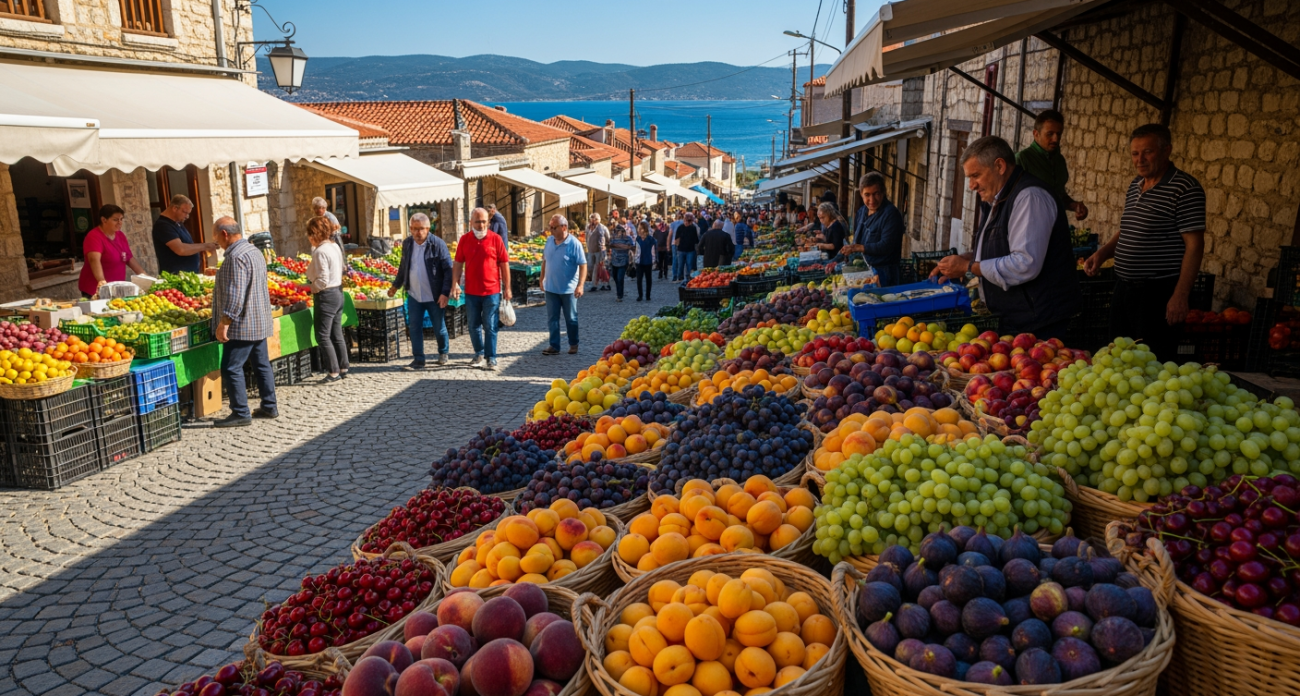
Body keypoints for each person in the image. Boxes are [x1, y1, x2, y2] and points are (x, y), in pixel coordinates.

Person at [931, 136, 1080, 338]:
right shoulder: (996, 197)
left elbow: (1025, 263)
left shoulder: (1029, 198)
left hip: (1039, 323)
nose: (971, 185)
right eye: (969, 178)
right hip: (1016, 319)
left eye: (976, 175)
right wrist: (969, 258)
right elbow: (1002, 245)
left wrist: (968, 267)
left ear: (999, 166)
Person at [1085, 123, 1206, 361]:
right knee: (1119, 358)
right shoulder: (1135, 185)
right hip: (1125, 288)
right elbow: (1127, 229)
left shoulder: (1185, 188)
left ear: (1166, 150)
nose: (1140, 159)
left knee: (1152, 361)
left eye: (1147, 152)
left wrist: (1180, 295)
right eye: (1134, 153)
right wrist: (1103, 254)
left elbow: (1195, 245)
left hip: (1158, 293)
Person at [210, 216, 276, 428]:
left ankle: (240, 412)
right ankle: (269, 405)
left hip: (243, 324)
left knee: (230, 367)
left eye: (217, 238)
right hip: (258, 320)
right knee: (261, 364)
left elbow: (235, 294)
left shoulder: (235, 257)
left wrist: (224, 321)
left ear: (225, 234)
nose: (218, 244)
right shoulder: (253, 251)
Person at [389, 213, 453, 369]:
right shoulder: (407, 244)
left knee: (438, 326)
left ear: (428, 228)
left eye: (421, 229)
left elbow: (448, 270)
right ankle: (419, 359)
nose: (418, 233)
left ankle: (443, 352)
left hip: (435, 294)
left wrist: (445, 293)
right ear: (410, 229)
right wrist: (395, 286)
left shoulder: (437, 244)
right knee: (414, 326)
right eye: (414, 229)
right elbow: (404, 267)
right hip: (414, 294)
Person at [452, 208, 511, 370]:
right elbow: (458, 264)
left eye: (484, 221)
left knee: (490, 325)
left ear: (489, 222)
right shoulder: (464, 240)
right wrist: (454, 284)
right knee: (473, 325)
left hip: (492, 291)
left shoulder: (496, 239)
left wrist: (508, 288)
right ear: (470, 222)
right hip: (471, 291)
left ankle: (491, 357)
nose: (481, 225)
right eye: (477, 221)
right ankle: (479, 353)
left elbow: (504, 264)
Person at [1015, 110, 1089, 221]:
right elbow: (1012, 201)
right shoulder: (1022, 159)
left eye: (1058, 134)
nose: (1055, 139)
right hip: (1030, 226)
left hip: (1055, 226)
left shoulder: (1059, 160)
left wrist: (1074, 206)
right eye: (1050, 134)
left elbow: (1059, 195)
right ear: (1036, 134)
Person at [305, 216, 350, 382]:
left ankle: (333, 371)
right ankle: (344, 366)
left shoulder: (320, 251)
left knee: (322, 335)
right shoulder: (334, 246)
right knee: (336, 332)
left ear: (314, 234)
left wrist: (311, 288)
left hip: (326, 295)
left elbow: (323, 280)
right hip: (338, 292)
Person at [539, 214, 587, 356]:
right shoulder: (549, 241)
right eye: (550, 228)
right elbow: (545, 261)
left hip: (568, 290)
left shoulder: (574, 244)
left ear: (564, 227)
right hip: (551, 288)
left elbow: (583, 265)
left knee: (571, 318)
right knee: (552, 318)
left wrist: (581, 285)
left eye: (554, 228)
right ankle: (554, 345)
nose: (551, 231)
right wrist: (542, 278)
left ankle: (573, 343)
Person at [79, 204, 146, 297]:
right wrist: (101, 281)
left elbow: (129, 258)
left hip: (116, 289)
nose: (120, 222)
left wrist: (144, 276)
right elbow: (94, 260)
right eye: (115, 220)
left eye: (121, 219)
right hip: (95, 289)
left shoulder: (120, 235)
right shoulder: (94, 236)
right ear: (104, 220)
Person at [853, 172, 906, 286]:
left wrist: (860, 247)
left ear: (883, 193)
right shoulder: (861, 212)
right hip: (867, 270)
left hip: (885, 273)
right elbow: (857, 236)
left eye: (876, 194)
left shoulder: (891, 214)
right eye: (867, 195)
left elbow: (886, 246)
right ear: (861, 194)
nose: (872, 200)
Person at [152, 195, 216, 274]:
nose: (187, 216)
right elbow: (180, 249)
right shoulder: (163, 225)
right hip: (175, 277)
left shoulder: (177, 222)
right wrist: (205, 246)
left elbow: (187, 245)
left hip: (187, 275)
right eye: (185, 212)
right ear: (175, 208)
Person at [608, 222, 635, 302]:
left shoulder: (628, 238)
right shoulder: (613, 238)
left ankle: (620, 295)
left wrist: (621, 246)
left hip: (623, 261)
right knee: (615, 277)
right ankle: (619, 291)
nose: (618, 233)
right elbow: (609, 245)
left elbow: (632, 247)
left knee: (620, 278)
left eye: (620, 232)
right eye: (617, 231)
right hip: (614, 260)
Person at [586, 213, 610, 292]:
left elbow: (608, 238)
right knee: (591, 267)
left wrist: (606, 247)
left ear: (598, 220)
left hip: (600, 250)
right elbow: (587, 238)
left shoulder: (603, 228)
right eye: (591, 219)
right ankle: (602, 283)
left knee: (599, 267)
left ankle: (597, 285)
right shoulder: (588, 228)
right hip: (591, 251)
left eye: (594, 219)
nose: (592, 220)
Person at [634, 221, 657, 302]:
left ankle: (648, 295)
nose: (639, 230)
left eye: (640, 228)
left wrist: (654, 261)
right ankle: (640, 295)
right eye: (638, 228)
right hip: (639, 261)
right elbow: (636, 250)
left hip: (648, 261)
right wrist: (634, 259)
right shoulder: (638, 238)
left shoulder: (651, 239)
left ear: (644, 229)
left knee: (648, 279)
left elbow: (653, 250)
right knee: (639, 279)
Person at [674, 213, 700, 280]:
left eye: (689, 221)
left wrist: (696, 249)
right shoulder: (680, 228)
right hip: (681, 249)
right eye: (686, 220)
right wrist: (677, 245)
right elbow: (676, 238)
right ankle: (680, 277)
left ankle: (689, 278)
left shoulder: (693, 228)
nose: (687, 222)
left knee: (689, 265)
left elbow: (696, 240)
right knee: (680, 265)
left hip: (690, 250)